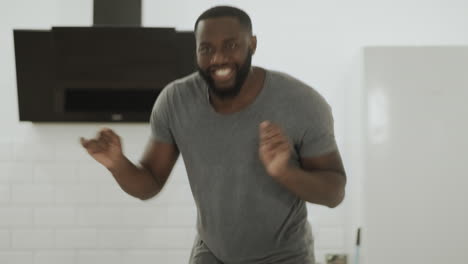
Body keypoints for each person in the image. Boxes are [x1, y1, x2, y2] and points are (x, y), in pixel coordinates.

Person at [80, 5, 346, 264]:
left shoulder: (301, 103)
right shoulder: (175, 101)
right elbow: (148, 184)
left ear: (252, 44)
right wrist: (117, 163)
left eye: (231, 45)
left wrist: (285, 172)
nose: (218, 58)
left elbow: (334, 193)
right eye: (206, 49)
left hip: (285, 256)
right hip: (212, 254)